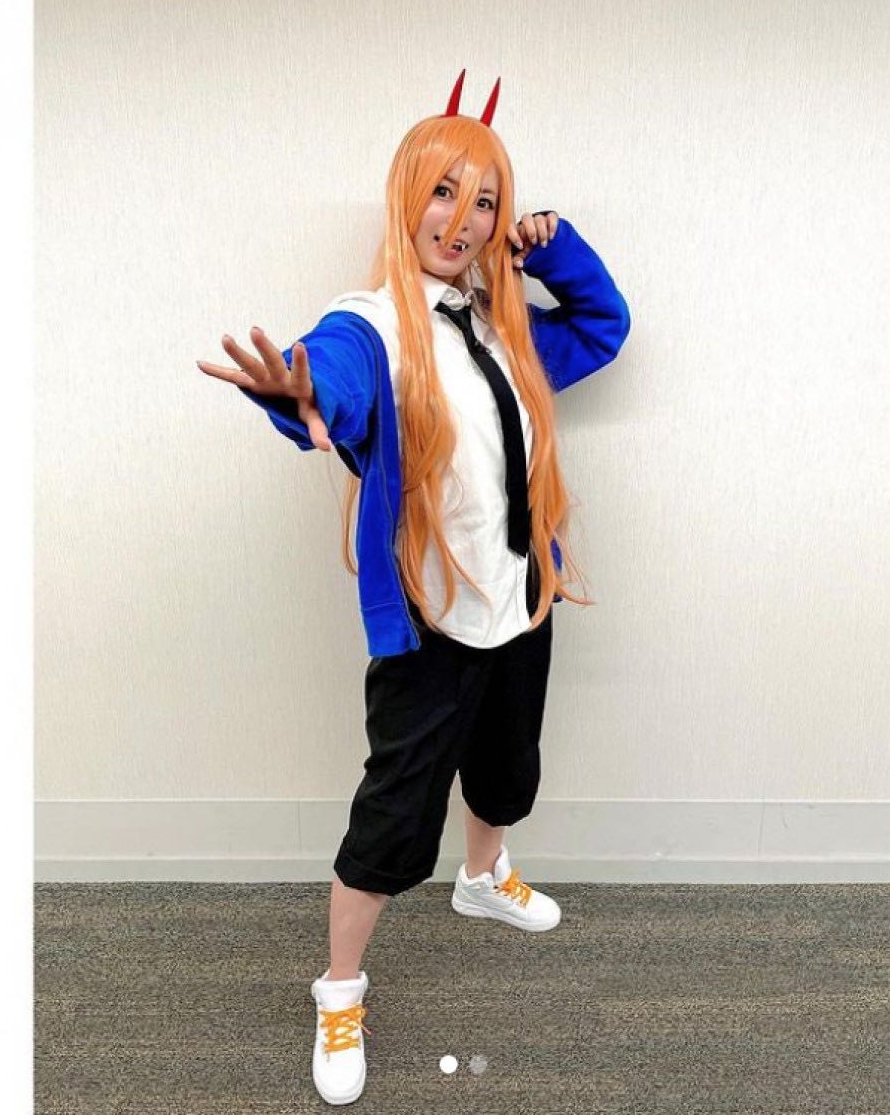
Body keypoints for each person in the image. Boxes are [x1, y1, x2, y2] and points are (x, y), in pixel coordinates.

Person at [197, 72, 630, 1105]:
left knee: (507, 770)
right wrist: (299, 386)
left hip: (521, 600)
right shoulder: (375, 325)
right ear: (406, 196)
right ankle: (340, 991)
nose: (462, 219)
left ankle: (482, 879)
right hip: (433, 625)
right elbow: (336, 371)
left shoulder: (504, 326)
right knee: (395, 816)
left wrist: (553, 248)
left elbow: (603, 326)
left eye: (484, 201)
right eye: (444, 192)